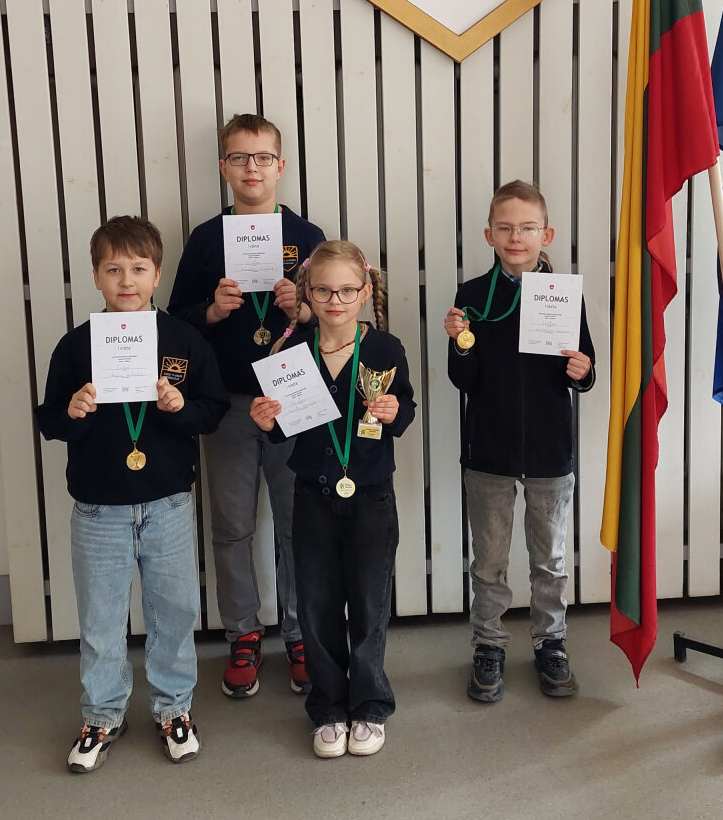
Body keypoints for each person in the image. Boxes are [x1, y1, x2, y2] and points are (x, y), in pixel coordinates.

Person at [36, 216, 228, 772]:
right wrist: (72, 412)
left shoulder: (183, 341)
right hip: (99, 509)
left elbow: (213, 410)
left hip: (168, 504)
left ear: (157, 274)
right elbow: (49, 420)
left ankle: (174, 708)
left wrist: (180, 409)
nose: (126, 281)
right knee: (100, 620)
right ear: (95, 276)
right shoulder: (76, 346)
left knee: (175, 613)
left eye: (138, 269)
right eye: (113, 269)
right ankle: (102, 713)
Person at [167, 114, 325, 698]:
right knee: (232, 526)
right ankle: (243, 634)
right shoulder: (206, 239)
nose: (251, 168)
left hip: (292, 397)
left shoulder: (307, 235)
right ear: (223, 168)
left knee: (297, 523)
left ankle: (301, 633)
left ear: (280, 166)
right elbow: (177, 321)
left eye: (262, 158)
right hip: (229, 403)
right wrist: (212, 311)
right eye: (239, 158)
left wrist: (302, 311)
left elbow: (336, 315)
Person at [250, 240, 415, 758]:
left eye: (346, 290)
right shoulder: (291, 355)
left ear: (365, 292)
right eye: (323, 291)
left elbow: (405, 409)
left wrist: (395, 412)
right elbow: (283, 429)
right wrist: (266, 422)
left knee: (369, 603)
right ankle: (327, 707)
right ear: (308, 294)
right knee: (316, 605)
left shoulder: (385, 349)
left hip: (371, 496)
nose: (335, 300)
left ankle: (369, 704)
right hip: (313, 496)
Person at [443, 180, 595, 703]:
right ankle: (489, 644)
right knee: (488, 561)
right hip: (489, 449)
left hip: (551, 451)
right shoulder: (470, 296)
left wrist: (582, 371)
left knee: (550, 559)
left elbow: (584, 367)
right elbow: (462, 379)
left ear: (545, 235)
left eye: (527, 228)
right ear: (489, 235)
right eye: (505, 228)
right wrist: (460, 344)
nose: (516, 237)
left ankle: (551, 642)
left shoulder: (564, 295)